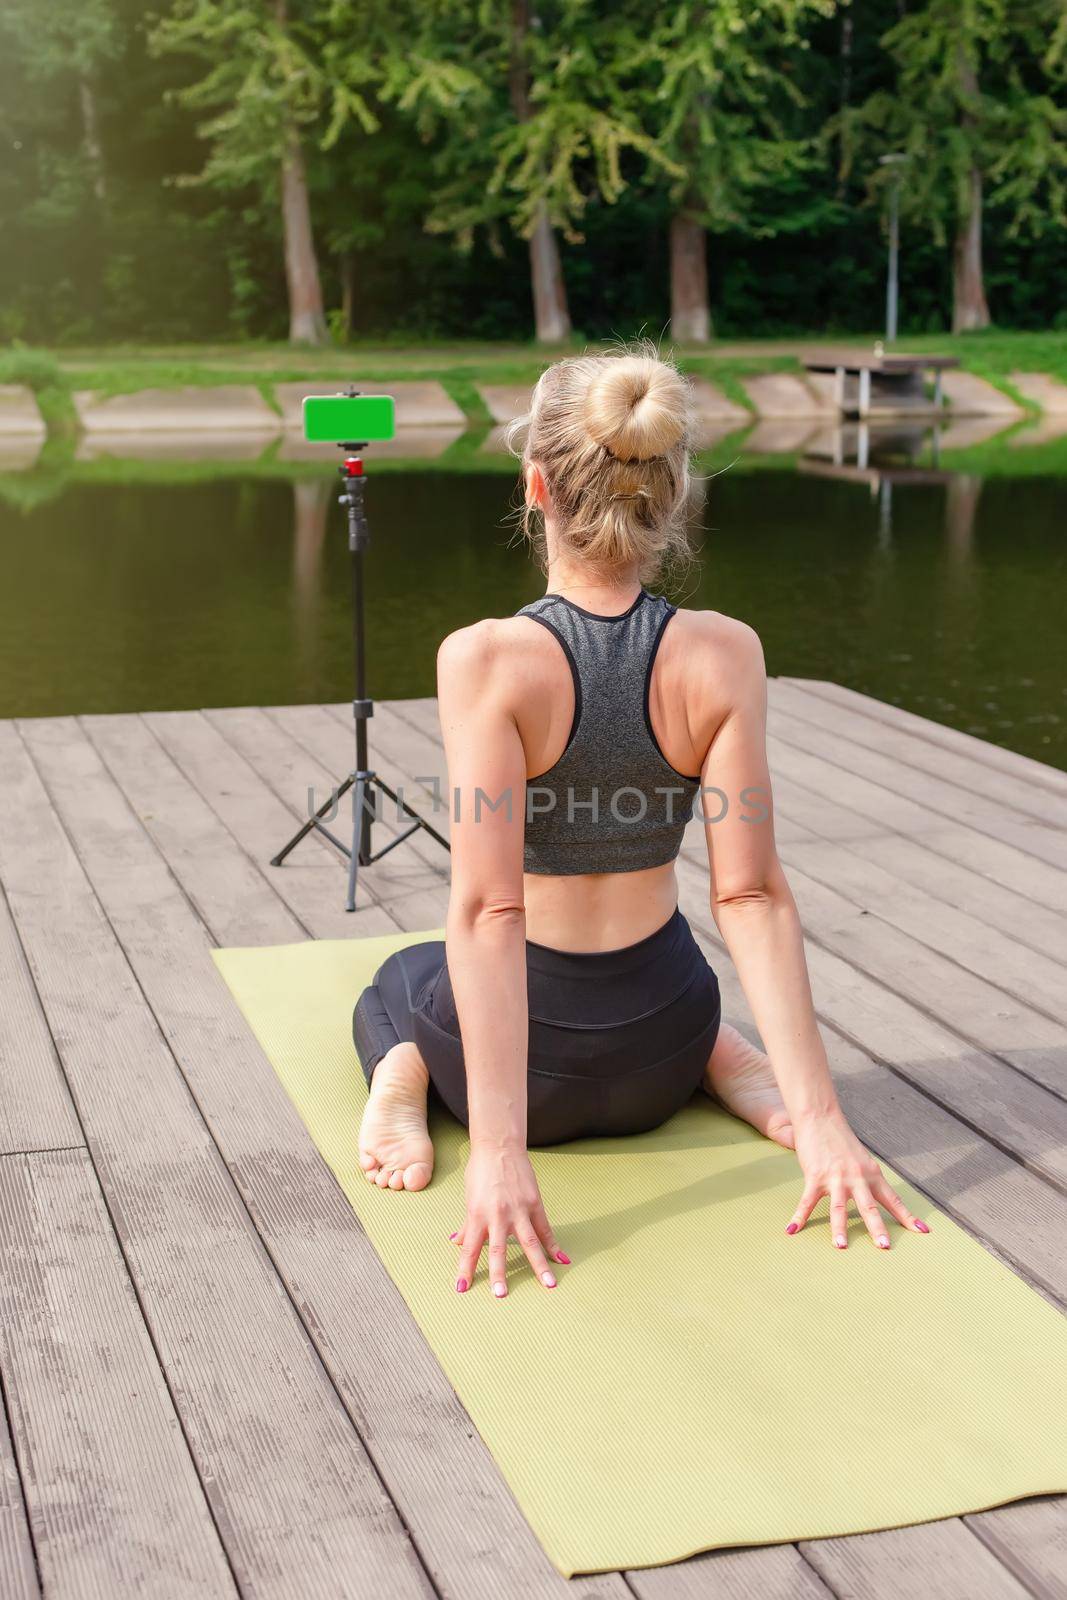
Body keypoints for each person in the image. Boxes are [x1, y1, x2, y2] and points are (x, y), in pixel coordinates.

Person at [353, 345, 929, 1299]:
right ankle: (722, 1060)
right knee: (678, 978)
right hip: (665, 1035)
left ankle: (405, 1073)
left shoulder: (488, 660)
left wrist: (499, 1153)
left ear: (535, 485)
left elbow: (490, 913)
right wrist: (821, 1119)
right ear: (674, 493)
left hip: (530, 1081)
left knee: (397, 981)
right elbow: (748, 893)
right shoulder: (725, 653)